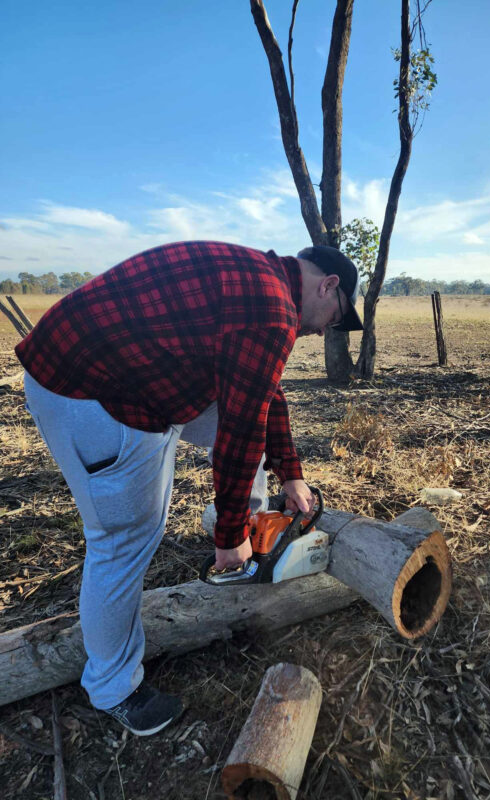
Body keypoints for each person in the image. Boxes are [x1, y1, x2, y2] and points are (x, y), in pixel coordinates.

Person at [15, 240, 363, 736]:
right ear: (328, 284)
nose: (324, 328)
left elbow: (262, 393)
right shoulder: (271, 311)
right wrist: (227, 538)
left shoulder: (263, 282)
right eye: (334, 315)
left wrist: (292, 473)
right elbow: (240, 431)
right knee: (123, 538)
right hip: (89, 391)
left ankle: (254, 527)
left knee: (246, 425)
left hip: (119, 370)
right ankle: (114, 687)